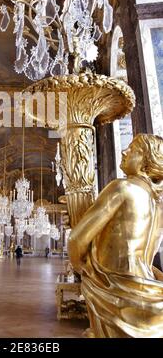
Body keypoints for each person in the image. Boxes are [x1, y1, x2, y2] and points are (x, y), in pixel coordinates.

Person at [68, 134, 163, 338]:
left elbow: (76, 239)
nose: (124, 152)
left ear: (147, 162)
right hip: (148, 290)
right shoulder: (158, 205)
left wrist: (84, 270)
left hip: (113, 291)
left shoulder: (122, 188)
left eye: (133, 149)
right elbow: (152, 251)